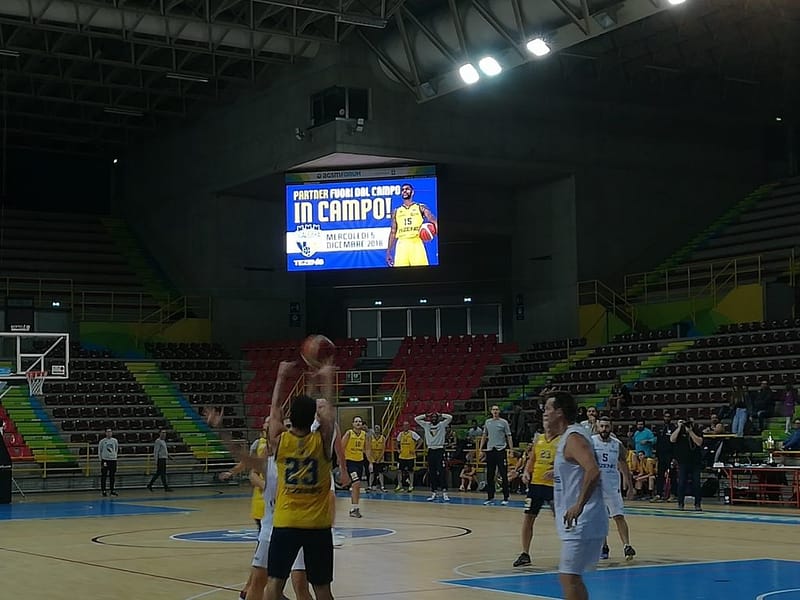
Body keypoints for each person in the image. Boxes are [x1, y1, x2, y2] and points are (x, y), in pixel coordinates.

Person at [264, 362, 337, 600]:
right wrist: (326, 381)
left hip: (287, 522)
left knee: (274, 585)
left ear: (290, 417)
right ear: (312, 418)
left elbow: (275, 410)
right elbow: (328, 415)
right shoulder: (321, 443)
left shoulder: (281, 443)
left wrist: (280, 376)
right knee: (322, 588)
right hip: (317, 526)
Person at [546, 391, 607, 600]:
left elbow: (593, 470)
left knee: (568, 577)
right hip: (580, 520)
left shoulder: (573, 438)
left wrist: (579, 505)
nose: (545, 414)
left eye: (548, 409)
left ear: (560, 413)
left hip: (583, 519)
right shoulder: (570, 436)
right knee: (571, 577)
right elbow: (579, 470)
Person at [513, 421, 559, 568]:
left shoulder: (563, 440)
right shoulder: (538, 439)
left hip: (554, 486)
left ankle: (573, 551)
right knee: (528, 518)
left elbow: (568, 462)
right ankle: (525, 553)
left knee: (561, 520)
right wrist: (526, 472)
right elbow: (532, 459)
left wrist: (556, 471)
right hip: (536, 485)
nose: (548, 424)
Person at [591, 417, 636, 561]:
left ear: (611, 427)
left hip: (612, 486)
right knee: (600, 518)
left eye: (607, 426)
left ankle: (627, 545)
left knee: (619, 516)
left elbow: (623, 464)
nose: (604, 429)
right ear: (598, 427)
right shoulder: (591, 442)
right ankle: (603, 546)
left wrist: (629, 485)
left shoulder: (617, 444)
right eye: (602, 426)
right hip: (596, 487)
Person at [221, 418, 270, 531]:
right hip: (261, 495)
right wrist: (231, 472)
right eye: (267, 422)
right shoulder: (258, 444)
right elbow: (246, 462)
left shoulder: (281, 442)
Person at [385, 182, 438, 267]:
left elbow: (434, 221)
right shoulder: (396, 211)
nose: (404, 191)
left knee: (422, 273)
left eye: (407, 189)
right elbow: (393, 232)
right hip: (402, 244)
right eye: (402, 190)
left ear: (412, 192)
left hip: (416, 242)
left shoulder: (420, 207)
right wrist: (388, 252)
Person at [414, 411, 452, 502]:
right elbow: (416, 419)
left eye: (435, 417)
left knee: (442, 472)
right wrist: (426, 415)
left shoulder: (442, 425)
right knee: (432, 472)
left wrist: (441, 415)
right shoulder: (426, 425)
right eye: (432, 417)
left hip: (439, 450)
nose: (434, 418)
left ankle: (445, 492)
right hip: (431, 450)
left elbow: (450, 417)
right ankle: (434, 492)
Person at [479, 405, 513, 506]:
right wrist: (481, 449)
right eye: (493, 409)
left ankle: (506, 497)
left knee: (503, 473)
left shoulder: (504, 422)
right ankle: (490, 497)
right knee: (490, 474)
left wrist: (511, 450)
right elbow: (484, 435)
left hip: (501, 450)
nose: (495, 411)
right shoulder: (487, 422)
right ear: (491, 411)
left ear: (499, 411)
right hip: (490, 450)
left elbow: (509, 436)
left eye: (497, 409)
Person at [670, 417, 704, 511]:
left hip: (695, 462)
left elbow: (699, 442)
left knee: (696, 483)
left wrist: (690, 432)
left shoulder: (697, 430)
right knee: (681, 483)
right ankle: (680, 503)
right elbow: (672, 439)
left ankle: (697, 504)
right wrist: (679, 427)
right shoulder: (679, 431)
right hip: (682, 462)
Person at [342, 416, 369, 518]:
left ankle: (355, 508)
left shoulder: (364, 435)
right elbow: (341, 447)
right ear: (353, 424)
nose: (358, 423)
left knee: (356, 486)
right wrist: (341, 464)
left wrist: (370, 463)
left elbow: (367, 449)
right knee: (356, 483)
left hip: (360, 462)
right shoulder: (349, 433)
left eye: (360, 422)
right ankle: (354, 508)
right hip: (350, 462)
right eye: (356, 421)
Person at [651, 411, 677, 502]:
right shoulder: (660, 428)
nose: (667, 418)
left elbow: (675, 444)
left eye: (668, 416)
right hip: (661, 455)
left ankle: (673, 494)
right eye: (665, 416)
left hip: (670, 455)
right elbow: (658, 443)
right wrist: (656, 455)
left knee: (672, 475)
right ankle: (658, 494)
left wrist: (674, 457)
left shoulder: (674, 428)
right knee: (660, 475)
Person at [395, 420, 421, 492]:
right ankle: (399, 485)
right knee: (399, 471)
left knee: (410, 471)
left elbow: (420, 440)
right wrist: (398, 449)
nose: (405, 426)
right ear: (403, 426)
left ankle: (411, 485)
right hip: (402, 456)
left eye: (407, 425)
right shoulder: (400, 434)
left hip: (410, 456)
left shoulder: (412, 433)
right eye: (404, 425)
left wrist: (415, 449)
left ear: (409, 426)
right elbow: (396, 442)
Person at [98, 427, 119, 497]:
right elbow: (99, 451)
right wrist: (101, 460)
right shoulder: (102, 441)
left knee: (112, 476)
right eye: (108, 432)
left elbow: (116, 449)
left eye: (110, 432)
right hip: (105, 460)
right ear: (105, 433)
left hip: (113, 460)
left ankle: (112, 490)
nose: (109, 433)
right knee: (104, 476)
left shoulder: (115, 441)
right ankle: (103, 490)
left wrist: (114, 456)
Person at [368, 424, 387, 492]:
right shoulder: (371, 437)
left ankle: (382, 486)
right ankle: (370, 486)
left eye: (378, 428)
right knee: (371, 473)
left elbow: (383, 449)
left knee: (380, 472)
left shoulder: (383, 438)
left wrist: (379, 459)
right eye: (375, 428)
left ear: (380, 429)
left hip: (380, 458)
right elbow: (369, 448)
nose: (377, 429)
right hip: (372, 458)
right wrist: (372, 458)